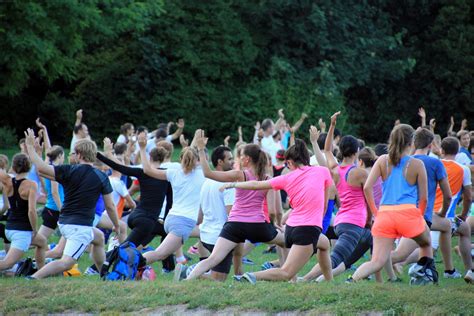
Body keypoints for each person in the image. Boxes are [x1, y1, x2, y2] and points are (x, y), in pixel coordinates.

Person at [228, 136, 333, 284]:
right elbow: (325, 205)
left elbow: (257, 185)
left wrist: (234, 185)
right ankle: (251, 276)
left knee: (325, 244)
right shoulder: (322, 172)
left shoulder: (286, 178)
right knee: (286, 273)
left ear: (290, 162)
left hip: (290, 228)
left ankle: (329, 282)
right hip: (307, 229)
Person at [185, 131, 286, 281]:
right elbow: (271, 211)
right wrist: (274, 225)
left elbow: (208, 173)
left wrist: (200, 149)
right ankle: (290, 276)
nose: (239, 158)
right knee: (286, 241)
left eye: (242, 156)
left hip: (234, 225)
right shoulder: (267, 179)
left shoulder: (239, 175)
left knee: (213, 259)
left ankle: (187, 280)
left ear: (247, 160)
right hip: (257, 226)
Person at [24, 129, 120, 279]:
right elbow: (110, 206)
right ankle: (33, 278)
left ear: (80, 155)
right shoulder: (101, 176)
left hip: (64, 222)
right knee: (66, 263)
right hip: (79, 226)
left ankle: (103, 274)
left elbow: (42, 170)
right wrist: (117, 225)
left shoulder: (68, 170)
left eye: (75, 153)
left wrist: (31, 149)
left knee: (99, 238)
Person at [351, 124, 437, 285]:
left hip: (384, 214)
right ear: (412, 142)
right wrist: (420, 217)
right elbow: (424, 198)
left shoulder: (382, 160)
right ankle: (425, 276)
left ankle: (352, 279)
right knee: (426, 243)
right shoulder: (417, 164)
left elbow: (368, 187)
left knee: (376, 261)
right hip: (409, 214)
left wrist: (376, 212)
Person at [302, 112, 370, 282]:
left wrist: (332, 125)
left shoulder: (335, 170)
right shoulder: (360, 173)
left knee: (368, 240)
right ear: (357, 151)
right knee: (334, 259)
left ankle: (358, 275)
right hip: (353, 223)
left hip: (341, 222)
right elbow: (369, 199)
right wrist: (370, 217)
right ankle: (306, 279)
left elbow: (326, 150)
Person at [386, 128, 461, 280]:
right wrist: (442, 212)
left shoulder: (405, 161)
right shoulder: (435, 163)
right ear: (431, 144)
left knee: (446, 226)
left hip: (401, 211)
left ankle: (444, 270)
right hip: (419, 215)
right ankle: (369, 268)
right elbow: (448, 195)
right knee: (399, 255)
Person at [137, 131, 205, 267]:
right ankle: (127, 264)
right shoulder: (202, 174)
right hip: (183, 222)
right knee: (159, 254)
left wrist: (143, 149)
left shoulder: (174, 172)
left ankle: (202, 263)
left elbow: (148, 171)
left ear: (181, 159)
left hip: (171, 219)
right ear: (198, 160)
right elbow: (195, 158)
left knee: (208, 232)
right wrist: (201, 148)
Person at [432, 137, 473, 283]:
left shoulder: (435, 164)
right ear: (458, 151)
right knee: (428, 249)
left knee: (465, 229)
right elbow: (468, 197)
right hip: (445, 215)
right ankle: (392, 260)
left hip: (429, 213)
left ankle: (467, 270)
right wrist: (463, 214)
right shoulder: (463, 169)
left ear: (442, 151)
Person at [0, 154, 47, 271]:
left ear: (13, 166)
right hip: (22, 231)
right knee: (7, 264)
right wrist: (35, 229)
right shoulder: (31, 185)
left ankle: (41, 270)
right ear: (29, 167)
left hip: (9, 228)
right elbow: (31, 211)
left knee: (42, 242)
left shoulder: (7, 181)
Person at [195, 145, 235, 281]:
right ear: (220, 162)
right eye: (229, 159)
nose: (233, 162)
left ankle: (192, 272)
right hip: (220, 237)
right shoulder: (227, 184)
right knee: (218, 280)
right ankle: (188, 272)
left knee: (217, 275)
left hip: (205, 235)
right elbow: (232, 215)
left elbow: (199, 216)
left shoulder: (206, 183)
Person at [38, 146, 65, 241]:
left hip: (52, 208)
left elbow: (48, 149)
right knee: (39, 240)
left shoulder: (49, 166)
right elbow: (55, 192)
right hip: (54, 210)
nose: (64, 159)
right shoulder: (55, 170)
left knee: (41, 240)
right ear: (60, 155)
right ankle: (14, 250)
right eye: (63, 156)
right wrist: (62, 210)